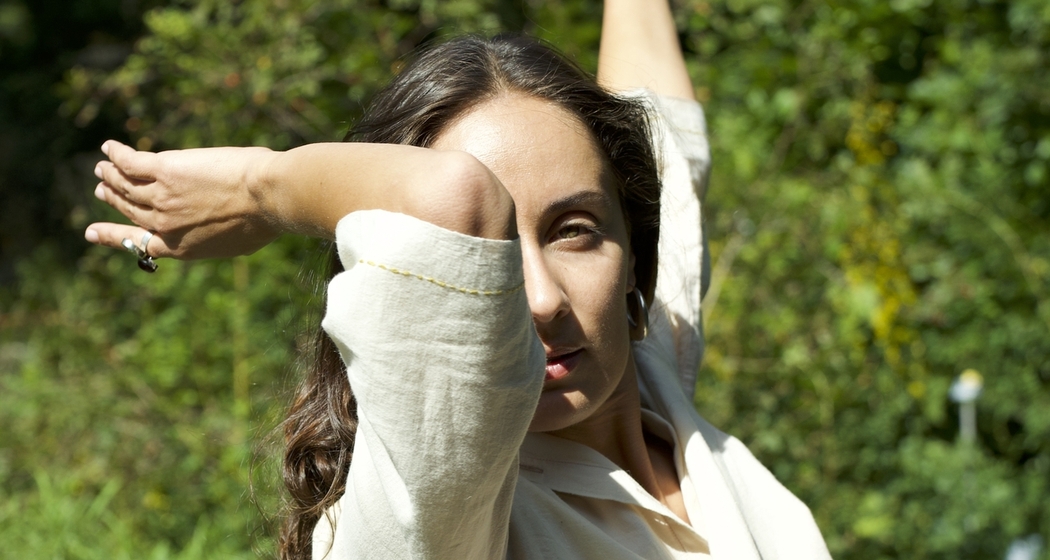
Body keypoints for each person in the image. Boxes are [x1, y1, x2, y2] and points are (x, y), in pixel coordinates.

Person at [86, 1, 831, 558]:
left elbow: (663, 139)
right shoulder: (436, 503)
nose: (542, 300)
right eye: (496, 255)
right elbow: (455, 197)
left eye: (574, 230)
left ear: (634, 255)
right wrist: (262, 188)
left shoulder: (651, 371)